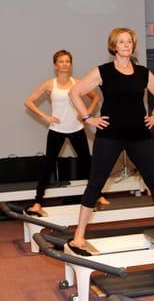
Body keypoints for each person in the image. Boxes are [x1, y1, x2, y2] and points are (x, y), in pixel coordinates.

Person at [67, 27, 154, 252]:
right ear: (114, 46)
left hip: (139, 135)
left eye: (129, 41)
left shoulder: (142, 73)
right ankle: (79, 234)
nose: (126, 45)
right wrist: (88, 118)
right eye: (122, 42)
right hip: (110, 135)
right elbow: (75, 92)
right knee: (96, 183)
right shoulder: (104, 71)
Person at [24, 50, 108, 217]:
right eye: (61, 61)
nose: (64, 64)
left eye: (67, 61)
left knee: (87, 163)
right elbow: (29, 101)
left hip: (76, 128)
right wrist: (46, 117)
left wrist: (86, 115)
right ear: (56, 65)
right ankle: (38, 202)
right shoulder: (49, 84)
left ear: (71, 64)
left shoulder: (77, 82)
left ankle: (98, 195)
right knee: (48, 165)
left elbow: (96, 98)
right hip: (57, 130)